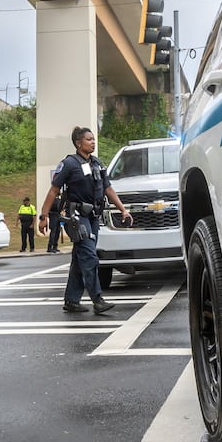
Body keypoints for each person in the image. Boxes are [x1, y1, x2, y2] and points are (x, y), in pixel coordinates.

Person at [38, 126, 132, 315]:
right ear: (78, 143)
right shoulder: (69, 164)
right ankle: (97, 299)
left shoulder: (97, 164)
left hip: (94, 217)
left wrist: (123, 210)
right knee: (89, 256)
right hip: (78, 217)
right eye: (89, 139)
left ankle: (72, 301)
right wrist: (44, 215)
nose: (93, 142)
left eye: (93, 139)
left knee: (80, 258)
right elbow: (54, 190)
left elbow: (108, 189)